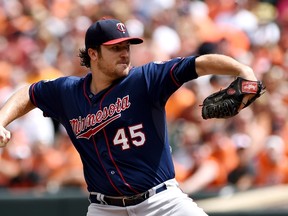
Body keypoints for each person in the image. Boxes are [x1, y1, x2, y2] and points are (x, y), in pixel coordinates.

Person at [0, 17, 258, 216]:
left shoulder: (146, 79)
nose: (125, 53)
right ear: (93, 53)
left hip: (161, 202)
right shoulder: (68, 92)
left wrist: (243, 69)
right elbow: (29, 94)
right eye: (115, 48)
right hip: (105, 208)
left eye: (127, 46)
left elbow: (198, 64)